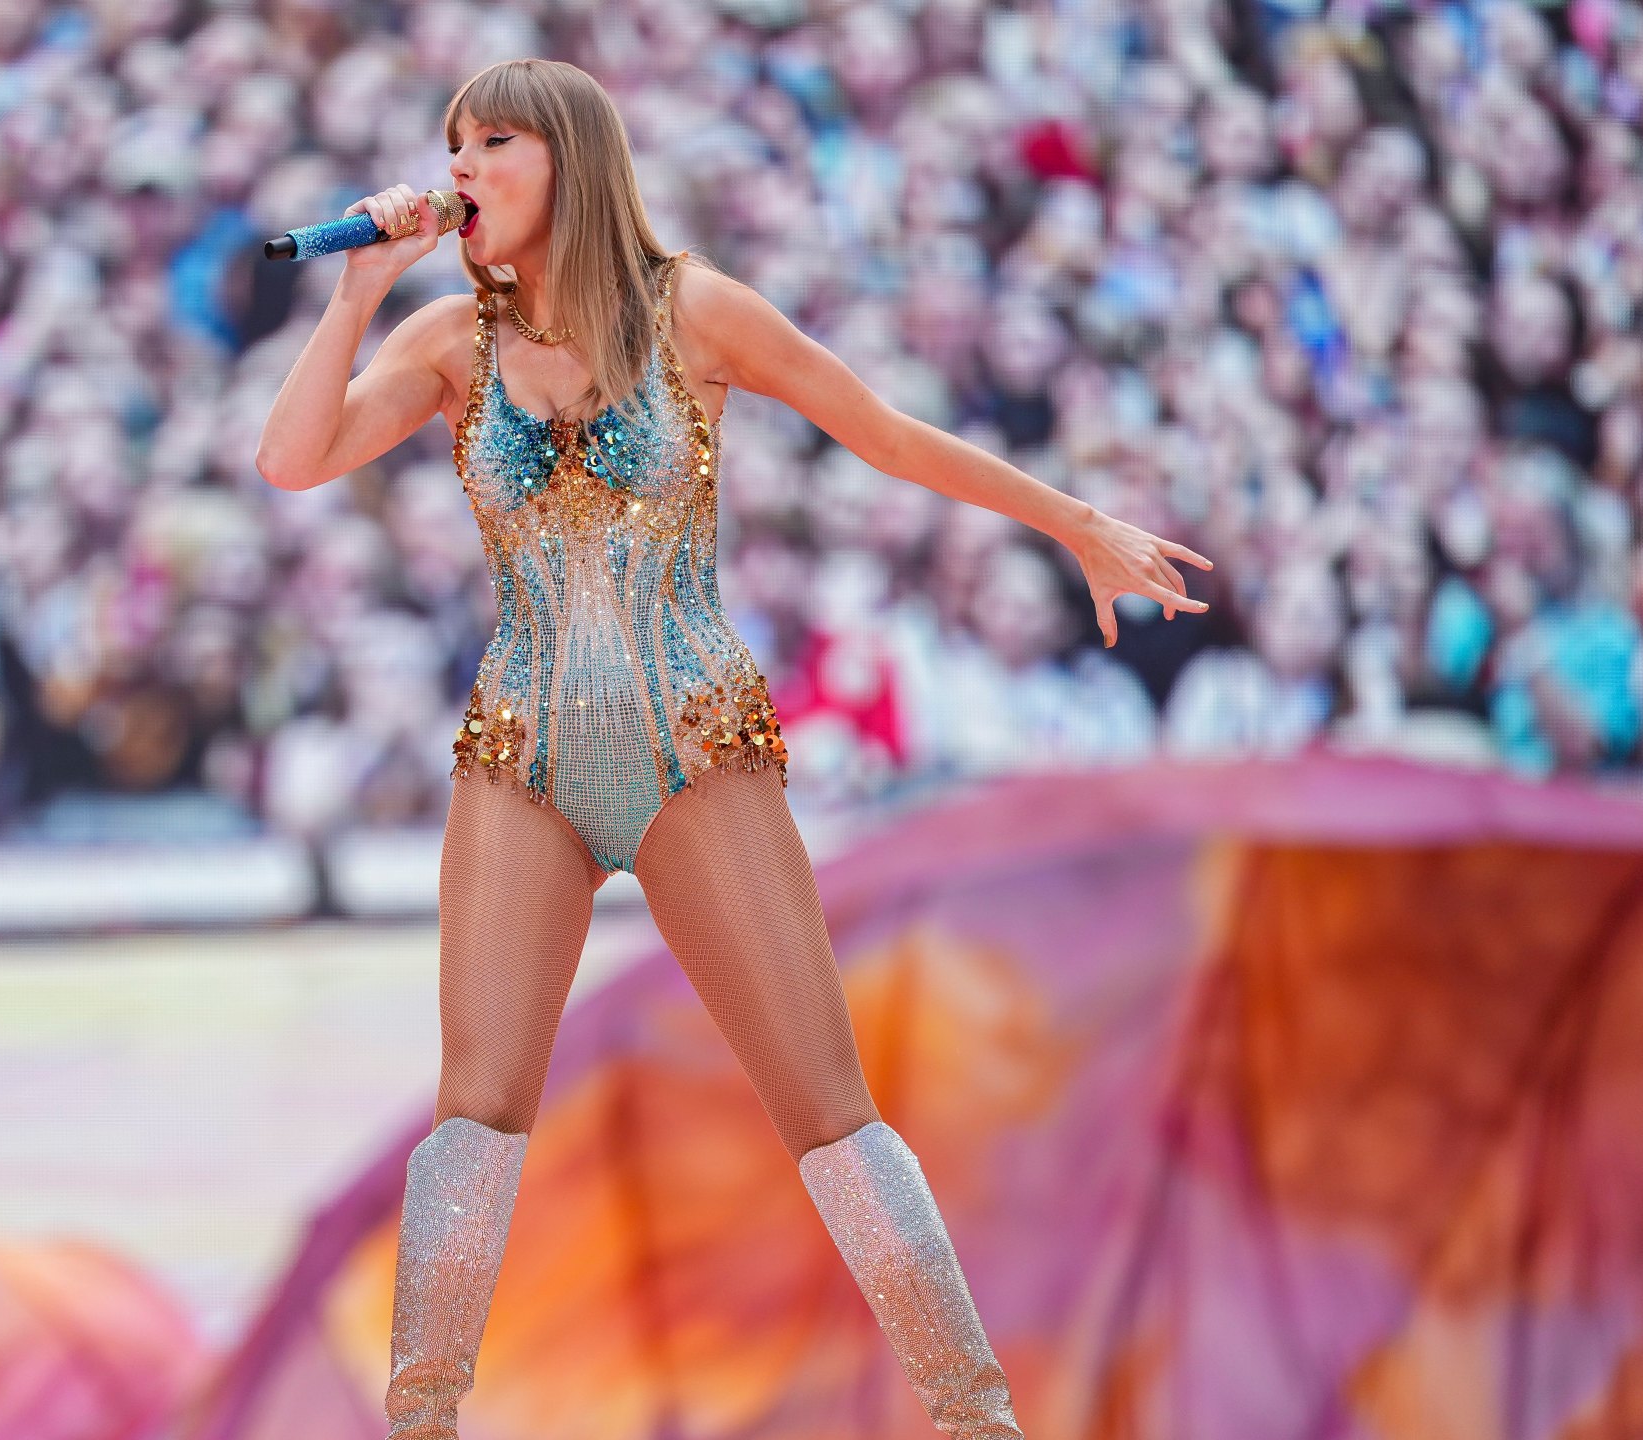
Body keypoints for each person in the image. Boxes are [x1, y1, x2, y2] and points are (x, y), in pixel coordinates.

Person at [254, 58, 1213, 1440]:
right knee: (476, 1103)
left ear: (571, 162)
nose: (459, 167)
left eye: (494, 143)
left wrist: (1070, 522)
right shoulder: (448, 340)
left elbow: (883, 434)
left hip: (695, 744)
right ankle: (422, 1424)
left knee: (826, 1106)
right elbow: (292, 462)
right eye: (452, 144)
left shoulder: (691, 309)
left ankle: (974, 1415)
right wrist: (356, 291)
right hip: (519, 754)